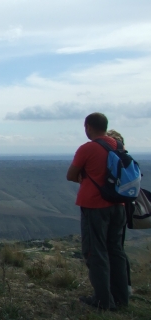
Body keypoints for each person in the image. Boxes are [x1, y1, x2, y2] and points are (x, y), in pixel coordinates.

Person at [66, 112, 128, 311]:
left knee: (95, 251)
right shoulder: (118, 146)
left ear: (89, 127)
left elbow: (71, 175)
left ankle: (102, 300)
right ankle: (121, 298)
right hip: (119, 206)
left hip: (95, 206)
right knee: (116, 250)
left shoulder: (88, 148)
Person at [106, 129, 132, 295]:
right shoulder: (126, 160)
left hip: (106, 207)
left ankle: (114, 288)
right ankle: (125, 286)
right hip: (123, 207)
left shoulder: (110, 160)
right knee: (117, 248)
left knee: (109, 249)